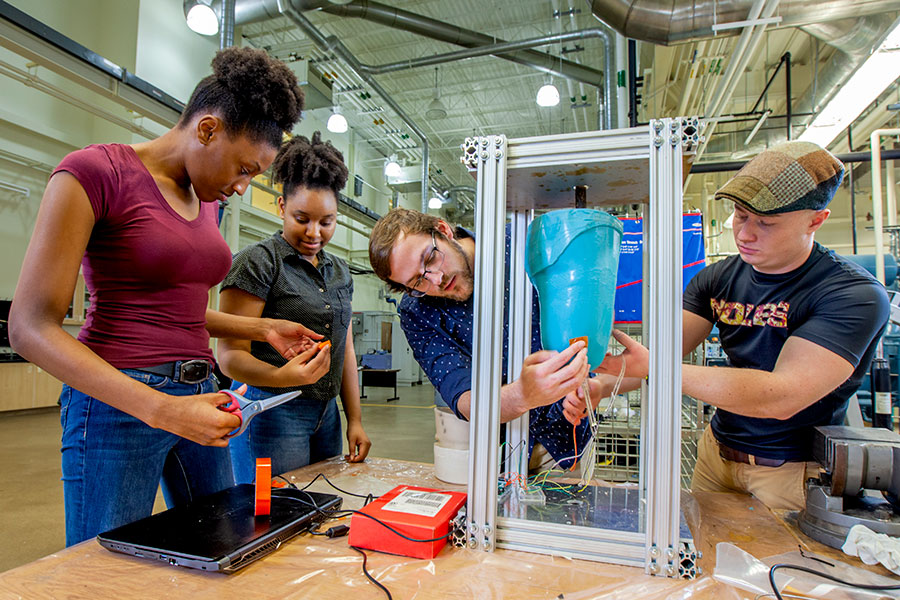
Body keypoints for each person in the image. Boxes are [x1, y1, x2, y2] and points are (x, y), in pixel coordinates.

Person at [8, 47, 316, 546]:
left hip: (201, 394)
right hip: (118, 403)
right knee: (103, 566)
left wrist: (261, 328)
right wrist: (160, 409)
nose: (241, 188)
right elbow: (28, 327)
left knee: (222, 545)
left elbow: (181, 308)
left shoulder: (206, 199)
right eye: (243, 169)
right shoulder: (95, 172)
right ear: (208, 129)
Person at [596, 141, 890, 510]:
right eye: (740, 214)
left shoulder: (852, 294)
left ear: (816, 220)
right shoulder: (717, 279)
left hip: (789, 473)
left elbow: (782, 396)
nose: (745, 234)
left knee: (781, 565)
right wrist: (599, 388)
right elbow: (654, 358)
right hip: (716, 457)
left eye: (765, 223)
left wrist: (657, 367)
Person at [368, 208, 598, 470]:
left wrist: (588, 386)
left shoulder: (525, 242)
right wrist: (522, 395)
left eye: (431, 258)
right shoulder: (417, 312)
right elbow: (462, 396)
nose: (437, 279)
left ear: (444, 231)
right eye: (419, 281)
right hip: (492, 454)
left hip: (567, 441)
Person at [218, 132, 371, 482]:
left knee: (319, 507)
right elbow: (229, 356)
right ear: (282, 207)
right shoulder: (258, 262)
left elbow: (343, 346)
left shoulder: (340, 271)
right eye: (302, 218)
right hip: (273, 411)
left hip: (326, 413)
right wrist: (281, 377)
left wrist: (355, 419)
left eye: (326, 222)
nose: (314, 232)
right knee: (274, 513)